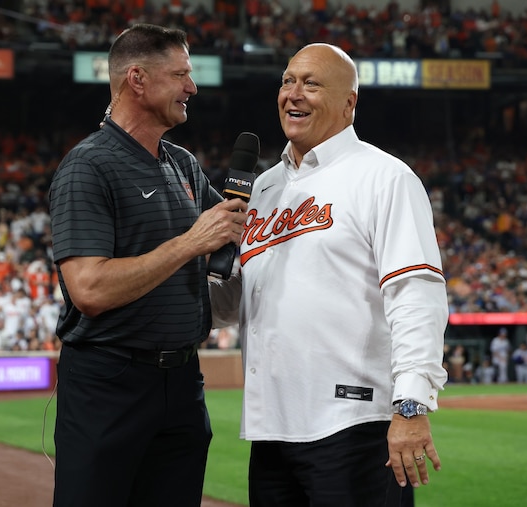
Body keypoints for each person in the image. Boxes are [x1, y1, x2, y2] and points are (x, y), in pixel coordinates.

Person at [210, 43, 447, 506]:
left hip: (354, 426)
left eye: (311, 84)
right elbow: (244, 301)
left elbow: (415, 294)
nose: (293, 94)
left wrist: (411, 406)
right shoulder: (263, 187)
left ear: (348, 103)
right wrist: (185, 271)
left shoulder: (384, 177)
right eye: (287, 81)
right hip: (272, 430)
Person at [48, 23, 246, 507]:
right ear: (137, 79)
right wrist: (188, 243)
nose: (192, 87)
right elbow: (89, 290)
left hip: (181, 383)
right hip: (109, 384)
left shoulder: (182, 163)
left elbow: (237, 236)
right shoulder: (87, 167)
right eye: (180, 74)